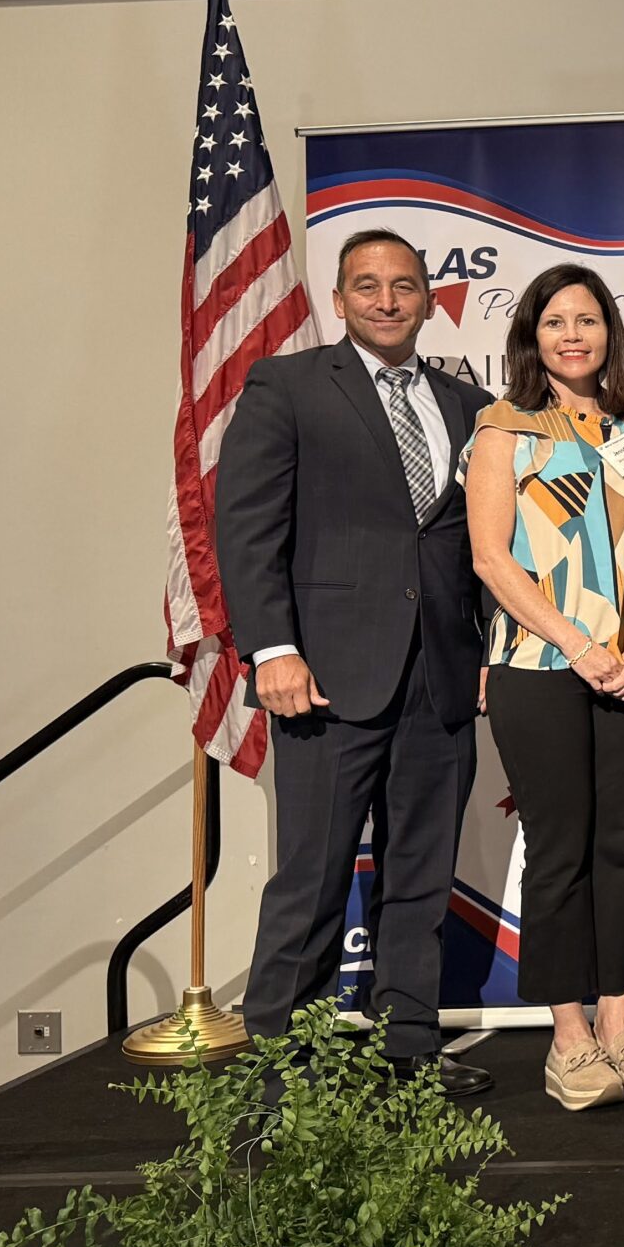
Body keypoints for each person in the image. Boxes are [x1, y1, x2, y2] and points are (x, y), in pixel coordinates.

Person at [217, 228, 493, 1095]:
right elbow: (248, 526)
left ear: (426, 299)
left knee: (421, 880)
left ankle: (407, 1054)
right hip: (325, 678)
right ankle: (281, 1075)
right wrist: (273, 648)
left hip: (438, 680)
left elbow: (468, 544)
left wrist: (483, 650)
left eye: (404, 285)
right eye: (367, 286)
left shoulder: (464, 403)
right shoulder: (288, 386)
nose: (386, 299)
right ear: (339, 301)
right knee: (312, 880)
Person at [463, 264, 624, 1111]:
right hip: (539, 669)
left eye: (587, 320)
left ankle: (621, 1025)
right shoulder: (503, 427)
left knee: (622, 848)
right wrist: (579, 644)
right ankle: (570, 1038)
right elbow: (490, 558)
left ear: (608, 333)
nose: (573, 335)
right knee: (559, 852)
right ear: (532, 337)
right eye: (555, 322)